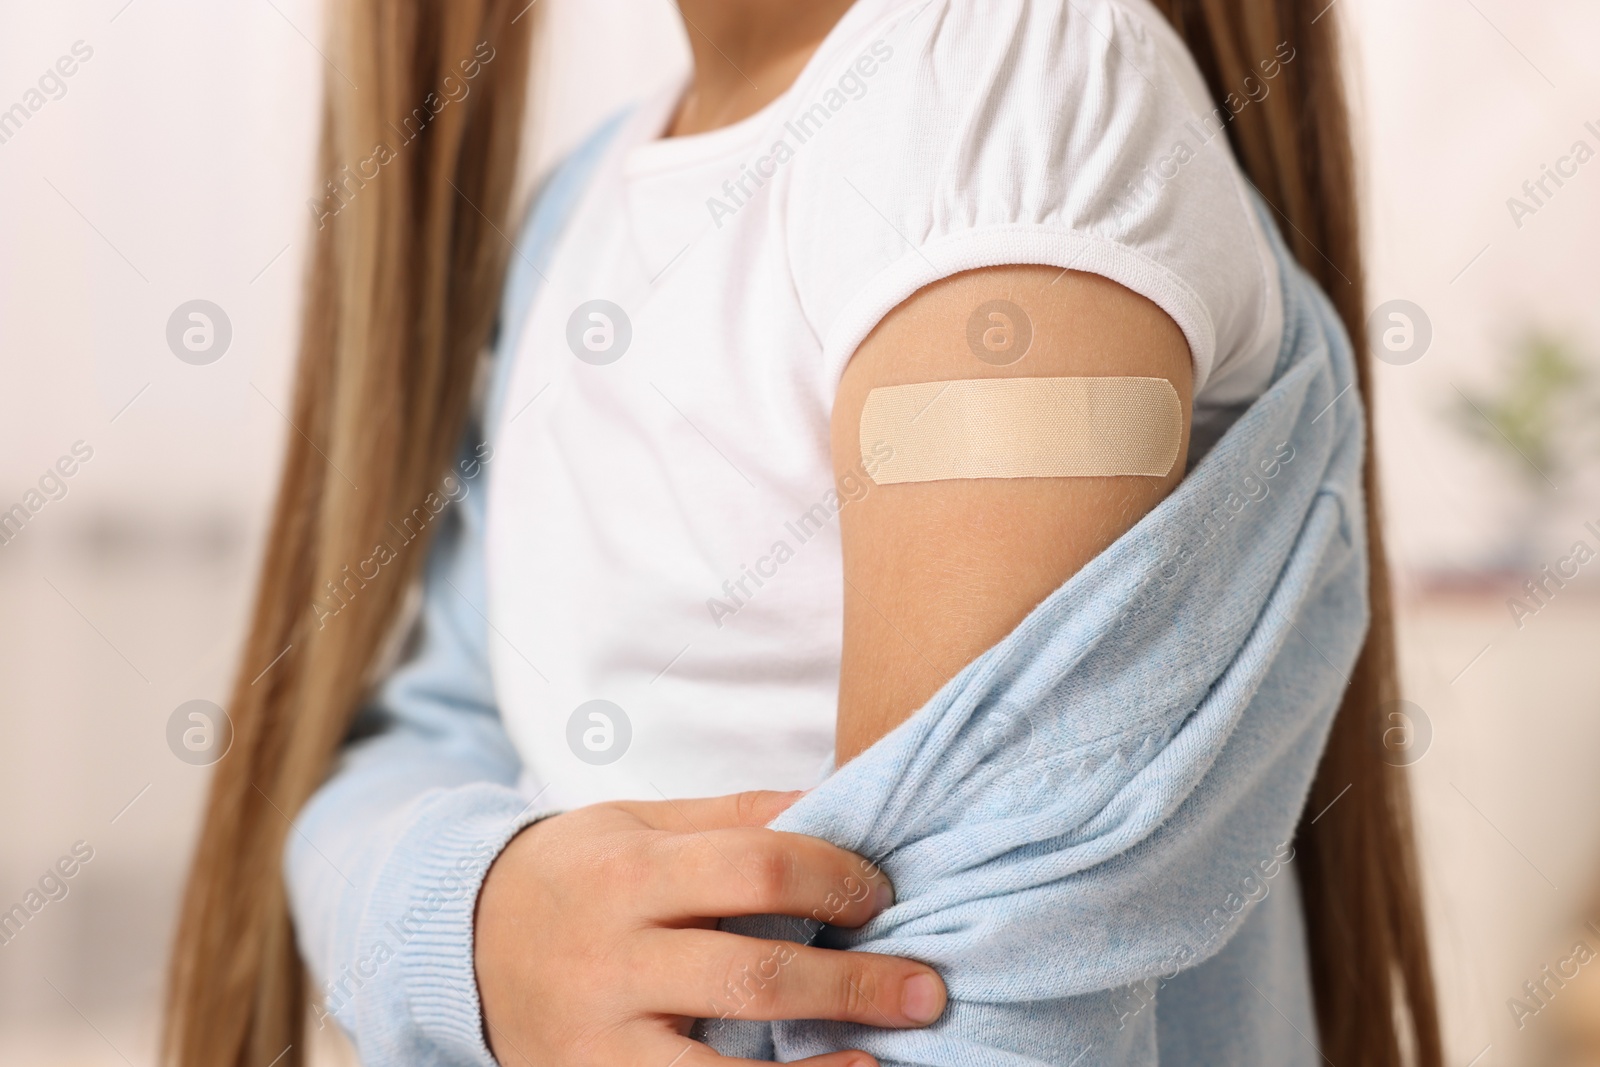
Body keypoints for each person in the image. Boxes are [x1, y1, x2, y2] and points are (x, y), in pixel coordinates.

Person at [163, 1, 1442, 1064]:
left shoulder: (998, 93)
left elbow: (957, 1006)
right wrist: (480, 917)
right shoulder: (577, 212)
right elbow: (420, 742)